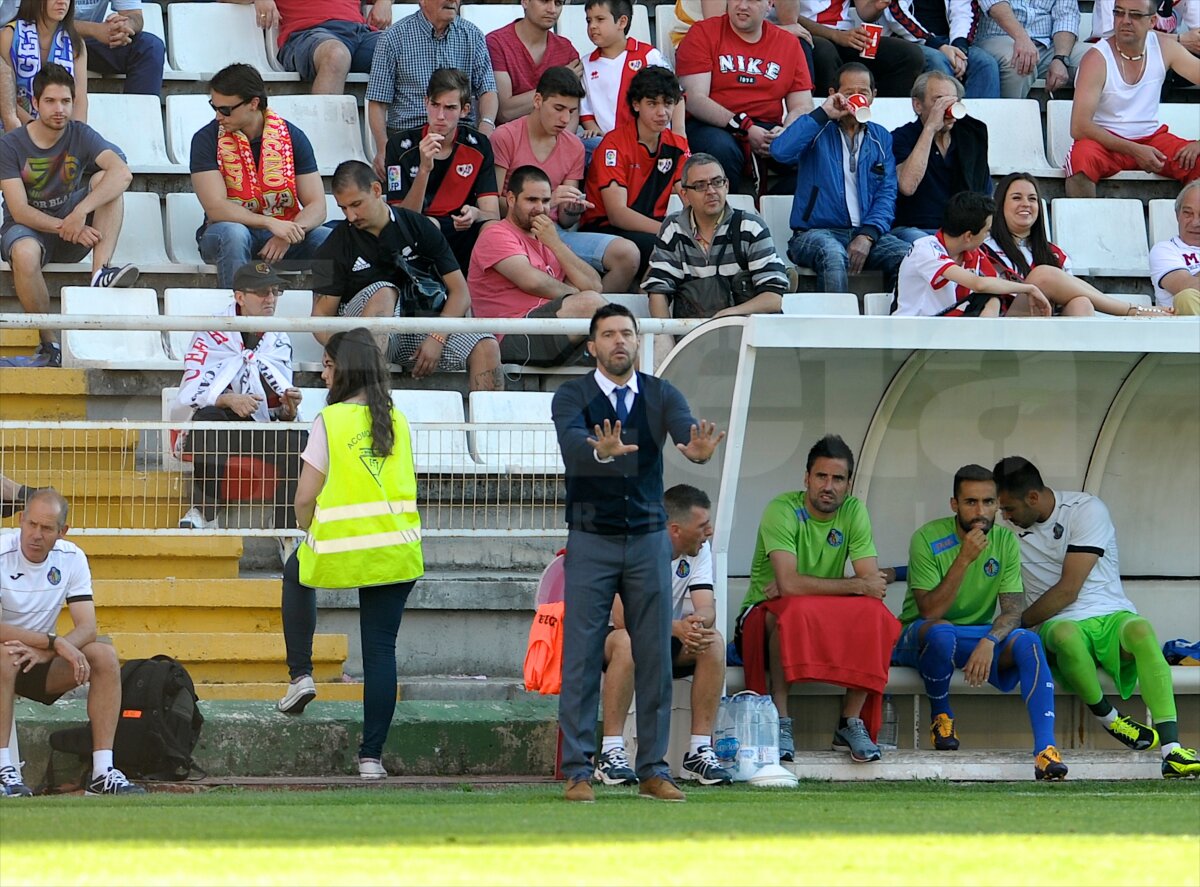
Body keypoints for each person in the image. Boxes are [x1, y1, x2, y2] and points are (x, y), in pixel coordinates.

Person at [551, 303, 725, 802]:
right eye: (608, 334)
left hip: (649, 536)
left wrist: (696, 451)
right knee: (582, 653)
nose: (619, 341)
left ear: (637, 340)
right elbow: (570, 445)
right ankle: (579, 771)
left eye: (626, 332)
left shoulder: (660, 393)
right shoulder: (573, 395)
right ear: (592, 346)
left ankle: (653, 769)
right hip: (591, 537)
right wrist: (596, 450)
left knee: (653, 651)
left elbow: (688, 434)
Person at [993, 456, 1200, 779]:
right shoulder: (1002, 529)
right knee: (1065, 636)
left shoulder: (1086, 509)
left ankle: (1172, 750)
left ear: (1033, 498)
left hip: (1111, 614)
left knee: (1143, 631)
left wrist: (1013, 623)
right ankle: (1111, 719)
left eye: (1009, 509)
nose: (1004, 516)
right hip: (1057, 623)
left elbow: (1068, 590)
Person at [278, 329, 424, 781]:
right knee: (381, 652)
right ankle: (371, 759)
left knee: (295, 571)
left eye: (326, 364)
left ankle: (301, 674)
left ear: (343, 369)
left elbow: (305, 497)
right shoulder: (397, 419)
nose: (323, 373)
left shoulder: (332, 420)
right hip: (397, 551)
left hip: (342, 546)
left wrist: (308, 530)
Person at [894, 464, 1068, 780]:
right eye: (971, 502)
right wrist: (964, 558)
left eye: (988, 502)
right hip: (919, 635)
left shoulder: (1004, 541)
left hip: (974, 637)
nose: (981, 511)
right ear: (954, 505)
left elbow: (1013, 610)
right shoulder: (927, 538)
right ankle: (941, 717)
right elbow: (930, 611)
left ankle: (1045, 750)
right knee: (943, 632)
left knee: (1028, 641)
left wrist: (990, 640)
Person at [737, 434, 900, 765]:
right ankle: (780, 720)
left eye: (838, 479)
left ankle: (849, 722)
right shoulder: (782, 509)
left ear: (848, 484)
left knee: (875, 614)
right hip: (761, 616)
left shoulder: (854, 511)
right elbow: (790, 584)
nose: (829, 486)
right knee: (792, 611)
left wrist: (834, 586)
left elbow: (871, 585)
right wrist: (851, 585)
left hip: (820, 612)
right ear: (806, 479)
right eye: (821, 476)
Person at [0, 488, 146, 797]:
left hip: (41, 663)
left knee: (104, 655)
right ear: (21, 520)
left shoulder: (72, 557)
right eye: (31, 524)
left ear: (62, 532)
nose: (36, 535)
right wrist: (53, 642)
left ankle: (102, 771)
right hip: (6, 658)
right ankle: (3, 770)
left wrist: (47, 650)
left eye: (46, 528)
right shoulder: (1, 551)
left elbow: (88, 626)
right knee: (5, 656)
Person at [312, 160, 501, 391]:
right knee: (383, 291)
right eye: (343, 208)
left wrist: (437, 337)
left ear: (376, 190)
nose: (350, 216)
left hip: (420, 325)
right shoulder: (332, 246)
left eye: (356, 204)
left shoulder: (419, 226)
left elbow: (460, 292)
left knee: (487, 346)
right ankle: (370, 406)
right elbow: (320, 319)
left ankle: (487, 427)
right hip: (358, 333)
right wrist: (346, 350)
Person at [596, 485, 735, 788]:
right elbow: (622, 618)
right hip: (615, 638)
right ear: (675, 529)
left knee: (713, 643)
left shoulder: (699, 550)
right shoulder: (633, 546)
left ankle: (699, 751)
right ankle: (610, 753)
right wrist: (675, 627)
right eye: (702, 526)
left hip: (660, 635)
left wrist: (698, 624)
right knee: (628, 642)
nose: (709, 532)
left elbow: (706, 606)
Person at [0, 63, 136, 369]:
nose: (59, 109)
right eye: (50, 101)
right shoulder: (10, 145)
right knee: (24, 253)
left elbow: (122, 173)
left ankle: (100, 272)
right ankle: (49, 342)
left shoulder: (81, 134)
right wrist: (67, 224)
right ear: (34, 104)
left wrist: (80, 212)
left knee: (106, 181)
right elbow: (19, 210)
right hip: (28, 229)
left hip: (73, 228)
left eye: (65, 101)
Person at [175, 261, 307, 566]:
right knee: (209, 419)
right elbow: (193, 388)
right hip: (225, 421)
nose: (270, 298)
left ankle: (286, 528)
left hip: (262, 427)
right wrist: (227, 399)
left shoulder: (280, 336)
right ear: (239, 296)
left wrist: (289, 410)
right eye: (262, 292)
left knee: (299, 438)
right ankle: (204, 512)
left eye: (275, 291)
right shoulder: (213, 331)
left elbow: (279, 405)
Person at [492, 66, 640, 293]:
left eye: (571, 111)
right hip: (514, 230)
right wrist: (547, 203)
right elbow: (492, 205)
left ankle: (598, 320)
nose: (565, 118)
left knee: (627, 254)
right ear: (538, 100)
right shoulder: (505, 136)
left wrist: (571, 208)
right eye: (558, 108)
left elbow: (566, 220)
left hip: (555, 232)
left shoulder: (573, 146)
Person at [771, 63, 910, 295]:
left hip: (863, 232)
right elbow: (780, 152)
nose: (857, 98)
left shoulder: (881, 136)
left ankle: (892, 324)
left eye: (863, 92)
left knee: (909, 257)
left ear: (873, 96)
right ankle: (835, 329)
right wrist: (822, 114)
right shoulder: (816, 126)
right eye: (848, 93)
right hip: (813, 233)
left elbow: (887, 192)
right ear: (833, 93)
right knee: (833, 254)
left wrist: (867, 235)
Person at [189, 63, 329, 289]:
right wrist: (270, 223)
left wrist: (288, 233)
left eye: (225, 110)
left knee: (327, 238)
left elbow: (317, 206)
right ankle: (237, 318)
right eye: (213, 107)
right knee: (234, 233)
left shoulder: (292, 136)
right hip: (226, 233)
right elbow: (216, 207)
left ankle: (328, 318)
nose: (217, 117)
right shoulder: (205, 139)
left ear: (253, 103)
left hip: (281, 234)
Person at [468, 165, 607, 369]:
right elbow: (532, 282)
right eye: (531, 200)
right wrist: (576, 295)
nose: (540, 208)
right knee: (592, 306)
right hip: (509, 336)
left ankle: (651, 396)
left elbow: (595, 285)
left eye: (545, 201)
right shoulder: (495, 233)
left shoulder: (549, 240)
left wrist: (556, 244)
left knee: (645, 337)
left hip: (550, 331)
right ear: (511, 199)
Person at [983, 173, 1173, 316]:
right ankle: (1129, 310)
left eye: (1032, 199)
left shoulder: (1055, 253)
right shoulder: (984, 248)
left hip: (1048, 323)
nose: (1026, 204)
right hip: (1007, 323)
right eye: (1017, 198)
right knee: (1043, 275)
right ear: (1000, 205)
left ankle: (1081, 365)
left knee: (1081, 303)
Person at [675, 0, 814, 195]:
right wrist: (745, 127)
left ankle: (771, 206)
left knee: (812, 150)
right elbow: (694, 98)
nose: (741, 6)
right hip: (712, 124)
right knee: (722, 148)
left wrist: (787, 131)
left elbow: (803, 105)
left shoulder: (788, 43)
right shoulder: (703, 32)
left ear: (770, 4)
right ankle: (731, 211)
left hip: (766, 126)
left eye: (752, 0)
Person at [1065, 0, 1200, 198]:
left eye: (1135, 15)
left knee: (1196, 159)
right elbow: (1079, 127)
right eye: (1119, 13)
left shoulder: (1165, 48)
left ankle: (1189, 224)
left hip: (1152, 139)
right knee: (1080, 161)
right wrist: (1136, 150)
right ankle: (1086, 228)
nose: (1125, 21)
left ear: (1152, 21)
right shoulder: (1096, 58)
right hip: (1106, 141)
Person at [644, 152, 788, 319]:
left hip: (746, 333)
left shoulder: (751, 226)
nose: (711, 191)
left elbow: (773, 298)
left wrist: (726, 316)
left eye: (717, 182)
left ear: (726, 185)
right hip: (693, 335)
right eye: (700, 185)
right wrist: (664, 336)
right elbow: (657, 291)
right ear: (684, 194)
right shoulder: (673, 229)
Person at [385, 67, 500, 272]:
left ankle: (485, 294)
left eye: (450, 108)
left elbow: (493, 213)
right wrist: (424, 170)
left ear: (465, 110)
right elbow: (401, 218)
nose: (440, 116)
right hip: (421, 232)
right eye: (435, 105)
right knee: (430, 226)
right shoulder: (399, 146)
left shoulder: (479, 146)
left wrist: (475, 214)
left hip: (464, 230)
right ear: (425, 102)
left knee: (492, 229)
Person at [366, 0, 497, 177]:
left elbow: (488, 91)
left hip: (459, 136)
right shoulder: (393, 37)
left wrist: (485, 134)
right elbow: (377, 102)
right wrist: (383, 149)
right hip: (410, 140)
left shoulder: (473, 35)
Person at [580, 66, 690, 271]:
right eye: (652, 103)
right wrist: (670, 229)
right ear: (636, 104)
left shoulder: (677, 145)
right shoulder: (614, 144)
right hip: (605, 228)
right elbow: (617, 214)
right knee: (668, 246)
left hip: (650, 226)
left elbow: (690, 195)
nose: (662, 112)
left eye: (668, 103)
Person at [893, 190, 1052, 316]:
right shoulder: (925, 248)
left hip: (942, 328)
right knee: (986, 296)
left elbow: (991, 283)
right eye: (986, 232)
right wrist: (1029, 288)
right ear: (969, 236)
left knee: (991, 298)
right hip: (912, 330)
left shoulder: (970, 253)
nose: (988, 237)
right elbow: (979, 284)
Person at [891, 71, 991, 243]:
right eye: (939, 100)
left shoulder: (971, 135)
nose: (947, 108)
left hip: (960, 232)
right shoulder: (901, 137)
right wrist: (930, 129)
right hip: (916, 229)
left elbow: (983, 191)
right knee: (929, 248)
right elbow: (907, 186)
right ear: (917, 105)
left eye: (953, 101)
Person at [231, 0, 393, 95]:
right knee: (336, 55)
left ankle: (407, 145)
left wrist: (385, 1)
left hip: (360, 32)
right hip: (307, 34)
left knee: (409, 51)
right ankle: (324, 144)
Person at [580, 0, 683, 144]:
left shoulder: (648, 55)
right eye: (589, 20)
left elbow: (676, 95)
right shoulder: (586, 64)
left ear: (622, 22)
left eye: (600, 19)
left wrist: (679, 134)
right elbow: (585, 111)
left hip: (650, 143)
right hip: (606, 145)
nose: (592, 26)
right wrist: (595, 132)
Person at [794, 0, 926, 98]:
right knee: (825, 53)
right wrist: (835, 35)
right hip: (806, 35)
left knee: (909, 55)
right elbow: (787, 17)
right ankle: (827, 123)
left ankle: (879, 122)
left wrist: (876, 7)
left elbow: (866, 12)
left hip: (846, 35)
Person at [0, 0, 89, 133]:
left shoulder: (76, 44)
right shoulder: (9, 35)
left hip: (59, 132)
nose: (62, 2)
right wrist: (36, 128)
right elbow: (5, 95)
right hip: (16, 130)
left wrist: (76, 137)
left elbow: (80, 99)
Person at [487, 0, 580, 125]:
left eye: (558, 3)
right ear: (525, 2)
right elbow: (505, 112)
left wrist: (562, 144)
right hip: (511, 138)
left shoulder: (566, 48)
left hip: (557, 137)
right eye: (544, 1)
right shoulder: (497, 43)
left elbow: (572, 113)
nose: (552, 9)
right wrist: (559, 84)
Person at [881, 0, 1000, 98]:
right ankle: (942, 122)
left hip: (950, 40)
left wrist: (960, 48)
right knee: (938, 60)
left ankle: (974, 124)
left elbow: (964, 12)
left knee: (985, 63)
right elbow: (896, 12)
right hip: (910, 40)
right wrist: (936, 45)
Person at [975, 0, 1088, 99]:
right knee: (1020, 61)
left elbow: (1067, 15)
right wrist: (1022, 38)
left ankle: (1088, 122)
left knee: (1097, 59)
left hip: (1047, 44)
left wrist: (1061, 58)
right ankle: (1011, 119)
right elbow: (995, 5)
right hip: (999, 37)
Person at [71, 0, 164, 98]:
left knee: (149, 46)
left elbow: (135, 15)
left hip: (88, 44)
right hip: (56, 39)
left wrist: (123, 25)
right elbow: (53, 23)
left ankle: (137, 111)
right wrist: (94, 30)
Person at [1150, 180, 1200, 315]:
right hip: (1187, 325)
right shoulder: (1165, 250)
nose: (1195, 223)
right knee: (1187, 297)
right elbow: (1187, 286)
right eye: (1188, 213)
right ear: (1177, 216)